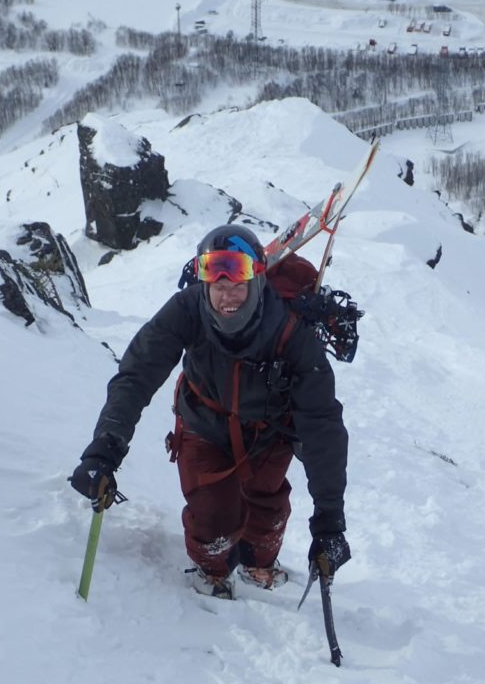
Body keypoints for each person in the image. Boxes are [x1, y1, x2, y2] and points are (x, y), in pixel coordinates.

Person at [70, 224, 351, 599]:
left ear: (257, 280)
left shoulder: (291, 330)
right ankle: (213, 571)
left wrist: (330, 521)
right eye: (217, 284)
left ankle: (259, 564)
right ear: (204, 281)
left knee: (268, 513)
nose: (227, 295)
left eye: (238, 283)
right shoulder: (187, 309)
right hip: (204, 421)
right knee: (214, 519)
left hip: (270, 430)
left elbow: (322, 423)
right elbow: (137, 374)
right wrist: (105, 447)